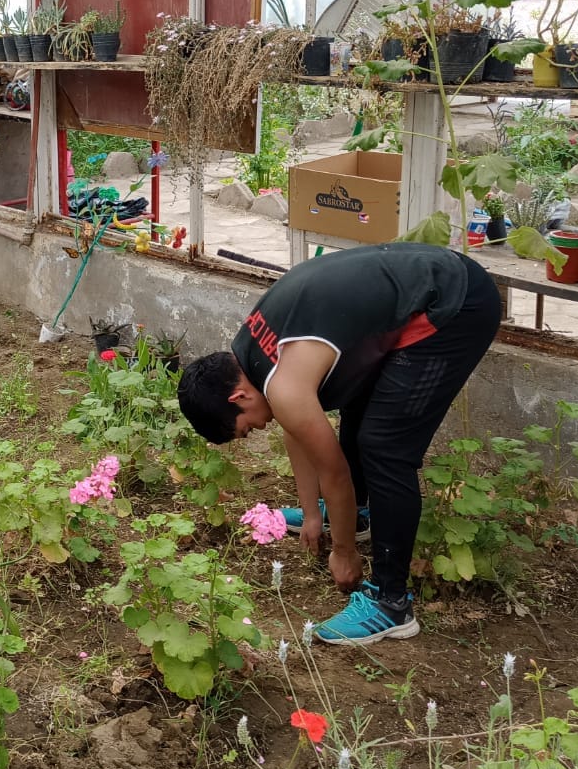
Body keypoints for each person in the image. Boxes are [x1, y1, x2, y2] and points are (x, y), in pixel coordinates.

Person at [177, 243, 501, 646]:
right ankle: (357, 515)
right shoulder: (250, 352)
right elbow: (297, 430)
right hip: (424, 287)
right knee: (359, 412)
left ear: (237, 398)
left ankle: (390, 603)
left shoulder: (283, 386)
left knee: (385, 446)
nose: (258, 428)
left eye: (246, 428)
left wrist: (343, 553)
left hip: (455, 303)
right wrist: (313, 515)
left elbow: (334, 473)